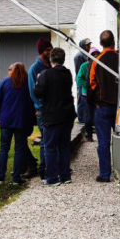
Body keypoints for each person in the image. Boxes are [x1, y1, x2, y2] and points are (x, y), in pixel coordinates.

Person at [34, 48, 77, 186]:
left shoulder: (45, 74)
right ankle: (65, 175)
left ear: (51, 59)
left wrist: (38, 81)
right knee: (64, 146)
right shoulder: (67, 73)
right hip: (67, 114)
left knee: (50, 147)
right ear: (63, 59)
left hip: (52, 115)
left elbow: (38, 93)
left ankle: (52, 177)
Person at [0, 63, 36, 185]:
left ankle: (0, 177)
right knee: (19, 149)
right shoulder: (27, 84)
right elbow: (31, 104)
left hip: (6, 120)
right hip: (21, 121)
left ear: (12, 71)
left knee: (3, 149)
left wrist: (0, 116)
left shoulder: (5, 82)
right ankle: (16, 178)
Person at [89, 30, 119, 183]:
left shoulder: (97, 61)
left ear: (100, 44)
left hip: (102, 107)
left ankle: (105, 174)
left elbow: (92, 85)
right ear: (114, 42)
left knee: (103, 142)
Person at [28, 37, 53, 180]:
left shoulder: (50, 66)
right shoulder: (34, 68)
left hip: (53, 108)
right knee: (44, 140)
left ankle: (52, 166)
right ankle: (43, 169)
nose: (50, 52)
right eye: (47, 50)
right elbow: (32, 91)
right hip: (42, 110)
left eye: (50, 49)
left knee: (51, 140)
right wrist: (40, 107)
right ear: (42, 51)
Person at [77, 47, 100, 142]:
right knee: (89, 116)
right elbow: (79, 79)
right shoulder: (84, 66)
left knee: (98, 116)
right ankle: (88, 135)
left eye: (97, 54)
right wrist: (88, 86)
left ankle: (100, 136)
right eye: (93, 54)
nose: (95, 56)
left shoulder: (101, 66)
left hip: (97, 95)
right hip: (86, 95)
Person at [74, 39, 92, 124]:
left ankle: (85, 118)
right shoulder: (79, 56)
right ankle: (81, 119)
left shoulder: (86, 55)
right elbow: (79, 73)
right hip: (81, 82)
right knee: (81, 100)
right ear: (82, 45)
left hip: (86, 82)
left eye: (89, 45)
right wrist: (82, 83)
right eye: (87, 45)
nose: (89, 47)